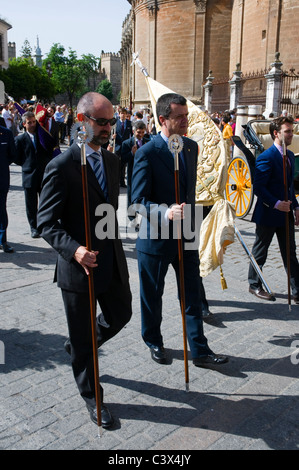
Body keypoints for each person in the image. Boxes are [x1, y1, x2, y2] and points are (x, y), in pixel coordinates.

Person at [37, 92, 132, 428]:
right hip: (78, 267)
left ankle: (80, 343)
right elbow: (45, 222)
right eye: (101, 122)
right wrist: (75, 249)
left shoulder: (111, 160)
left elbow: (107, 210)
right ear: (82, 121)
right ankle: (93, 397)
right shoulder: (61, 166)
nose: (108, 128)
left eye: (112, 122)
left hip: (111, 260)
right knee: (83, 340)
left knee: (121, 314)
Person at [131, 93, 228, 367]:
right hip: (155, 239)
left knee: (192, 294)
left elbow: (189, 191)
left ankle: (199, 349)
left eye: (187, 116)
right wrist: (164, 211)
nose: (186, 121)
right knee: (152, 296)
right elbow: (137, 201)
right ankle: (153, 340)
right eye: (179, 117)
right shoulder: (147, 153)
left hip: (185, 236)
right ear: (163, 119)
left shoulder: (190, 147)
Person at [248, 116, 299, 304]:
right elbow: (259, 188)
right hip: (268, 213)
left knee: (290, 253)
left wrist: (296, 206)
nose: (291, 134)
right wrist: (277, 203)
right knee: (261, 251)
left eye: (292, 131)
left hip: (285, 214)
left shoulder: (291, 156)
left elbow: (289, 187)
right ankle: (254, 284)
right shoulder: (266, 158)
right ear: (276, 133)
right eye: (287, 131)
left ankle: (297, 290)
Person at [15, 112, 53, 238]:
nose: (32, 125)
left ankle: (44, 225)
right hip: (29, 176)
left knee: (45, 202)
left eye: (34, 122)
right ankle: (33, 227)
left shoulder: (42, 137)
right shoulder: (20, 139)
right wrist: (27, 165)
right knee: (31, 205)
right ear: (24, 124)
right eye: (29, 122)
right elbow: (17, 157)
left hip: (43, 175)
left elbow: (50, 150)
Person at [121, 120, 150, 221]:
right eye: (138, 132)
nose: (140, 135)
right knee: (131, 195)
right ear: (134, 131)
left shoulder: (148, 141)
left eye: (142, 132)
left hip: (145, 173)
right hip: (132, 173)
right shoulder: (127, 143)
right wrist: (131, 154)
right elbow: (122, 159)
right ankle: (132, 218)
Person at [0, 125, 18, 252]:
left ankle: (3, 241)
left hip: (1, 178)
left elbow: (13, 154)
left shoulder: (6, 133)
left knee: (1, 209)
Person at [113, 107, 133, 187]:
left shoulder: (129, 123)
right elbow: (112, 133)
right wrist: (113, 137)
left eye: (124, 114)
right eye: (121, 114)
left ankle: (122, 182)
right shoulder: (116, 123)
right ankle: (116, 181)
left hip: (125, 146)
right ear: (119, 114)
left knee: (123, 165)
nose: (123, 115)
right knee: (116, 164)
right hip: (117, 146)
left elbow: (132, 134)